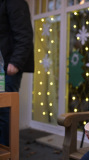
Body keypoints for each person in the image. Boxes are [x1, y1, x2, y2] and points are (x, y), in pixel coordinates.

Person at [0, 0, 34, 146]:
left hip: (7, 68)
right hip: (3, 66)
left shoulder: (15, 2)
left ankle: (7, 152)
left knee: (4, 111)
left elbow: (24, 34)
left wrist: (16, 62)